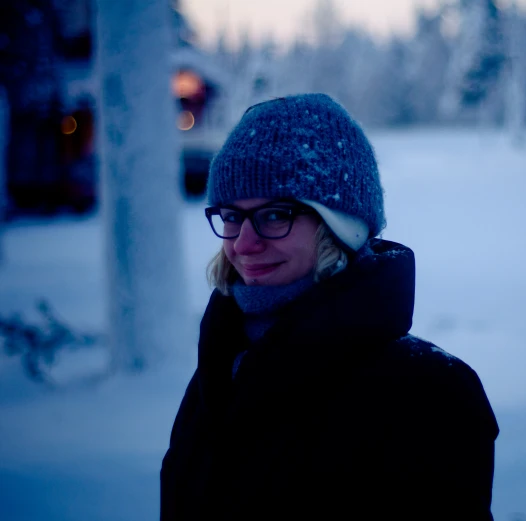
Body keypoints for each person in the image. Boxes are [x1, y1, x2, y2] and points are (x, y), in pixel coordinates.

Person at [160, 93, 499, 521]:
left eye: (275, 214)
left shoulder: (425, 393)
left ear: (338, 227)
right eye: (231, 216)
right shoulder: (223, 370)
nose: (243, 244)